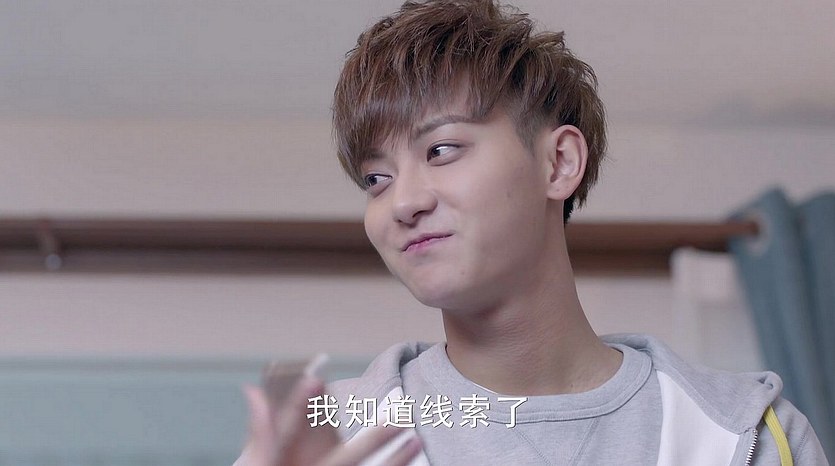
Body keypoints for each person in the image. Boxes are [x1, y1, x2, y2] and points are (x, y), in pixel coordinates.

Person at [236, 0, 829, 464]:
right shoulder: (328, 439)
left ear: (559, 162)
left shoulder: (747, 434)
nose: (404, 203)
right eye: (376, 179)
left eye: (441, 150)